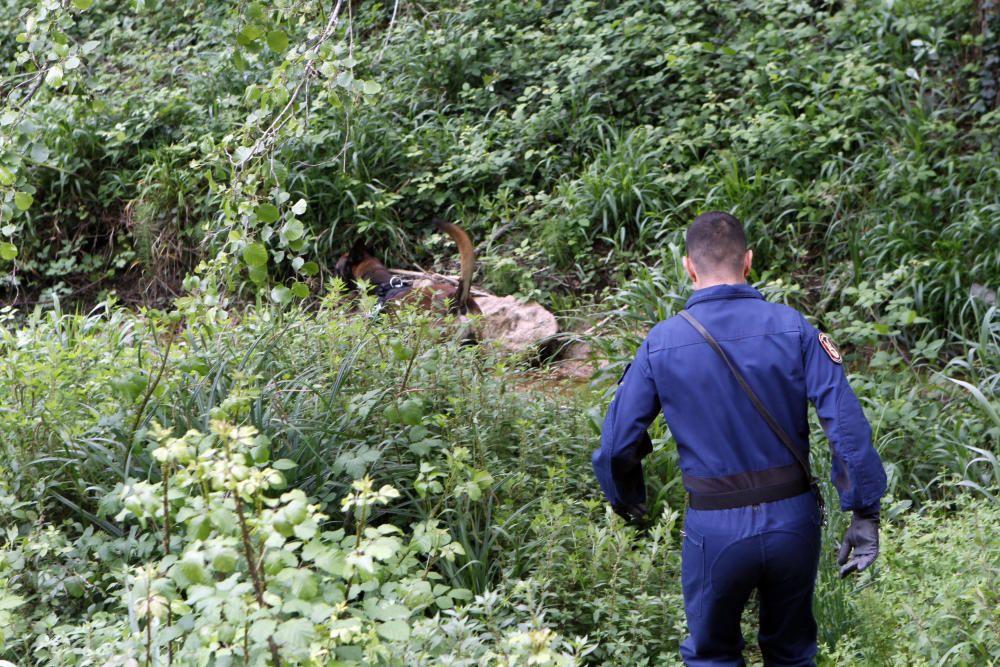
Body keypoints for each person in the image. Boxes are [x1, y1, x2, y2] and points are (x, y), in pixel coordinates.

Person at [592, 212, 887, 667]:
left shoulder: (661, 342)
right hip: (793, 522)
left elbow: (617, 445)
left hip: (714, 527)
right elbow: (845, 425)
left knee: (712, 657)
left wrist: (628, 499)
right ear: (748, 261)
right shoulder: (794, 328)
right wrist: (864, 512)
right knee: (792, 654)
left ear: (689, 267)